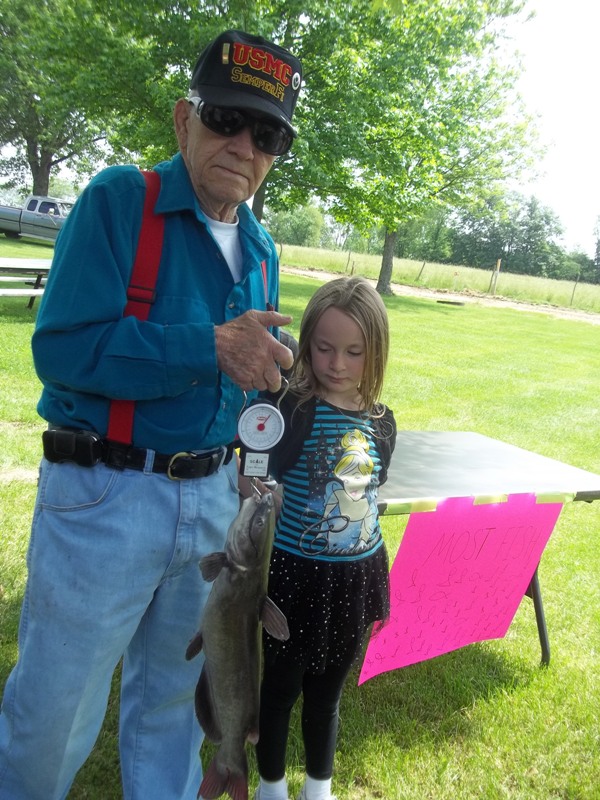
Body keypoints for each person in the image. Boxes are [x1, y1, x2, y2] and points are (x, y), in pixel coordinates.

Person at [0, 29, 302, 800]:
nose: (244, 145)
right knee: (53, 714)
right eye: (226, 119)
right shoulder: (119, 202)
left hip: (215, 504)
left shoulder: (263, 250)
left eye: (267, 135)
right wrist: (210, 347)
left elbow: (241, 390)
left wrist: (252, 451)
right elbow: (62, 349)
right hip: (104, 495)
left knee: (173, 710)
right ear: (183, 118)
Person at [252, 277, 397, 800]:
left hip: (354, 582)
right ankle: (271, 787)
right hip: (295, 579)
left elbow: (372, 499)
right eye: (324, 348)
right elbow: (256, 465)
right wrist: (255, 482)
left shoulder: (382, 423)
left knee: (327, 696)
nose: (337, 364)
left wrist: (377, 583)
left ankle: (319, 789)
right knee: (280, 690)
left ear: (375, 352)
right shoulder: (294, 411)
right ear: (308, 342)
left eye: (354, 352)